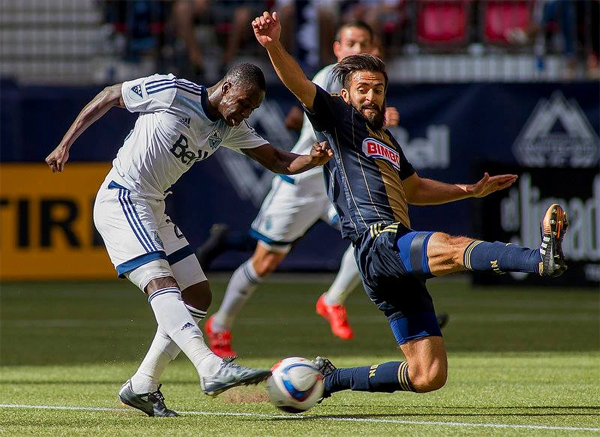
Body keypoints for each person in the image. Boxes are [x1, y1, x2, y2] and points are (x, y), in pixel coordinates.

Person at [252, 11, 569, 397]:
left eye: (378, 90)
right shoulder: (337, 116)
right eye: (363, 89)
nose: (371, 97)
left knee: (428, 375)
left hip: (390, 258)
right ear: (346, 94)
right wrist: (273, 45)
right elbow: (299, 84)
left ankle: (329, 380)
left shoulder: (386, 139)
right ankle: (539, 260)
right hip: (378, 242)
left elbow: (414, 189)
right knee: (452, 247)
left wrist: (469, 190)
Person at [44, 63, 332, 416]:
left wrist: (312, 160)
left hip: (153, 206)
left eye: (251, 109)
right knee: (161, 282)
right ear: (226, 87)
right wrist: (65, 144)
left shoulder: (229, 127)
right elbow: (110, 95)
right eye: (243, 103)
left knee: (197, 293)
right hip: (123, 198)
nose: (244, 113)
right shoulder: (173, 91)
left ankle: (142, 385)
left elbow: (277, 160)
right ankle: (210, 367)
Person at [203, 20, 404, 359]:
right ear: (337, 49)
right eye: (350, 43)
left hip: (336, 184)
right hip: (302, 182)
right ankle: (220, 323)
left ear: (374, 48)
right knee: (264, 262)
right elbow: (333, 119)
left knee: (373, 236)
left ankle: (333, 300)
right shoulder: (330, 77)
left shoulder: (369, 85)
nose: (356, 50)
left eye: (363, 44)